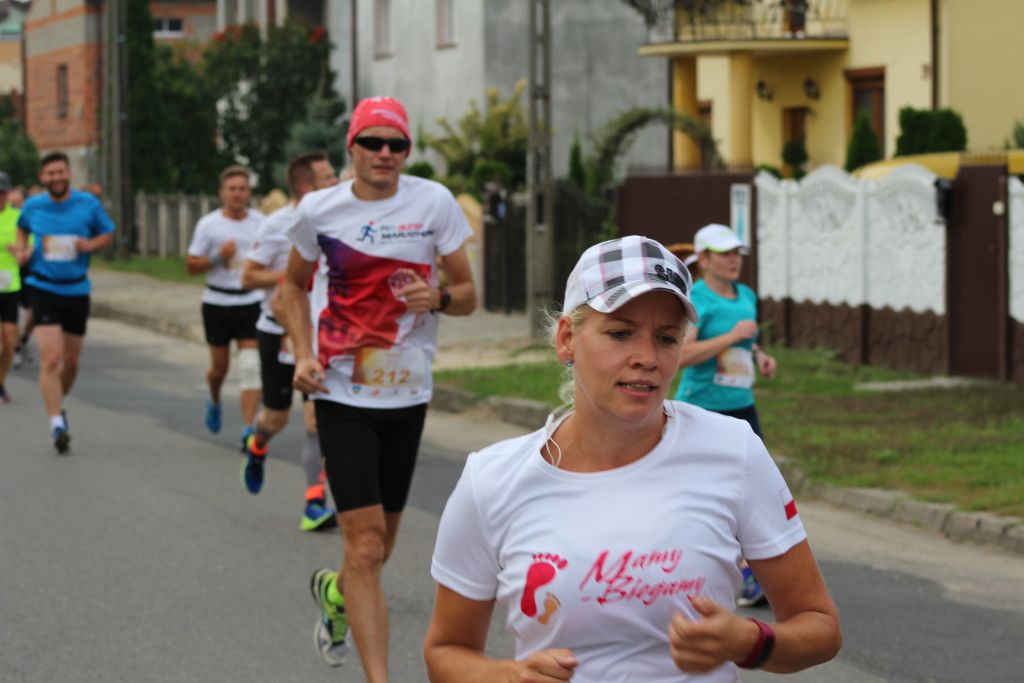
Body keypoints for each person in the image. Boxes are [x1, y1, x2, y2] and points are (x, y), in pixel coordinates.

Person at [424, 235, 841, 682]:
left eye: (666, 338)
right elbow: (446, 651)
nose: (647, 358)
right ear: (567, 339)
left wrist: (749, 641)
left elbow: (820, 626)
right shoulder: (492, 478)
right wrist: (508, 677)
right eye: (620, 333)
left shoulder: (732, 449)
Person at [281, 95, 477, 679]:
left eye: (397, 144)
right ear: (353, 147)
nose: (385, 153)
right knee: (364, 546)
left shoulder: (433, 202)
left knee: (379, 549)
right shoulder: (319, 210)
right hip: (341, 390)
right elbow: (291, 288)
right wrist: (302, 353)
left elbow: (468, 295)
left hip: (407, 393)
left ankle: (334, 593)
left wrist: (437, 297)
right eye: (373, 142)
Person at [673, 223, 779, 607]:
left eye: (737, 253)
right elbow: (681, 355)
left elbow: (746, 342)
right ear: (703, 260)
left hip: (742, 406)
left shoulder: (746, 295)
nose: (734, 260)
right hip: (703, 406)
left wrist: (760, 355)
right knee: (703, 495)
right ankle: (693, 569)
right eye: (724, 254)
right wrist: (731, 337)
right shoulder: (694, 300)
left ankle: (749, 572)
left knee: (752, 490)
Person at [240, 151, 339, 533]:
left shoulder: (342, 218)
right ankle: (258, 443)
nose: (336, 183)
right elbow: (249, 277)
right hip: (278, 332)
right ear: (305, 186)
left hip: (320, 337)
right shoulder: (279, 225)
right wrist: (293, 274)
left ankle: (314, 503)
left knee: (316, 419)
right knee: (276, 418)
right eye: (328, 178)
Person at [15, 152, 115, 453]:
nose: (56, 177)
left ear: (68, 173)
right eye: (51, 173)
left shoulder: (88, 204)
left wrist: (90, 244)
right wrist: (22, 250)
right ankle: (56, 422)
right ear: (42, 177)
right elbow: (22, 227)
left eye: (60, 172)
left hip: (77, 289)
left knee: (71, 362)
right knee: (51, 359)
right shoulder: (34, 205)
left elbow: (107, 233)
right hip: (43, 287)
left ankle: (60, 401)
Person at [186, 165, 265, 449]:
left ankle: (248, 429)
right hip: (217, 302)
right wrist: (218, 257)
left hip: (250, 301)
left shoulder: (261, 222)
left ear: (249, 192)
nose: (237, 194)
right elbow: (191, 266)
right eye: (232, 189)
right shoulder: (209, 225)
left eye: (242, 189)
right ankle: (215, 397)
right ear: (222, 193)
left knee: (251, 367)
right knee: (219, 369)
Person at [0, 172, 22, 402]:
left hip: (10, 285)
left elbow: (29, 247)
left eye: (1, 192)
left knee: (9, 339)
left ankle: (1, 381)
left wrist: (21, 252)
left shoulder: (17, 217)